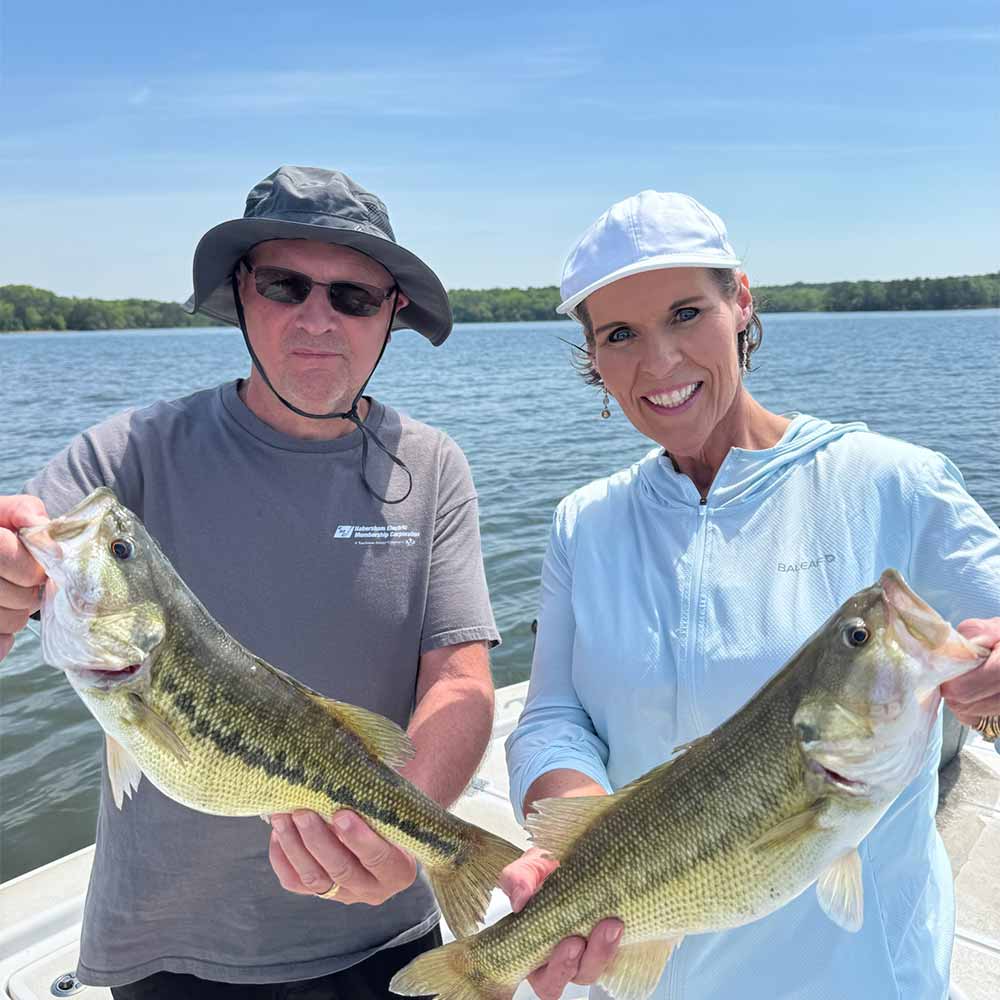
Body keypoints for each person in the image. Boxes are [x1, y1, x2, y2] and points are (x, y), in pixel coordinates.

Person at [0, 165, 501, 999]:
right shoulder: (125, 459)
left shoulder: (435, 466)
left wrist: (403, 834)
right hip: (167, 946)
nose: (316, 319)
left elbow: (460, 677)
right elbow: (25, 568)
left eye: (353, 297)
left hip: (382, 929)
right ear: (241, 292)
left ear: (391, 314)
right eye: (284, 284)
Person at [501, 190, 1000, 999]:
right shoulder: (583, 524)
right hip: (642, 967)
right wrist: (578, 835)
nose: (658, 362)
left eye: (686, 313)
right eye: (620, 335)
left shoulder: (890, 481)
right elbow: (555, 716)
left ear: (741, 302)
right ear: (592, 356)